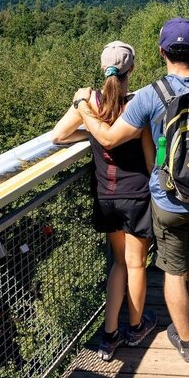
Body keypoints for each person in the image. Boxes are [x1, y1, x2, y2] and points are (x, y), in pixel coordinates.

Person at [74, 18, 189, 362]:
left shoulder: (151, 96)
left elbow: (109, 137)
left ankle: (186, 341)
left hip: (167, 199)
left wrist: (82, 105)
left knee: (172, 269)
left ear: (161, 52)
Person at [51, 40, 158, 361]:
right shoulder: (137, 105)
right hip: (136, 195)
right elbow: (151, 161)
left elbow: (58, 135)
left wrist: (90, 129)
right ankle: (136, 326)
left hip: (106, 196)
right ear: (132, 70)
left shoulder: (90, 102)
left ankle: (109, 335)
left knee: (118, 264)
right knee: (136, 264)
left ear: (102, 69)